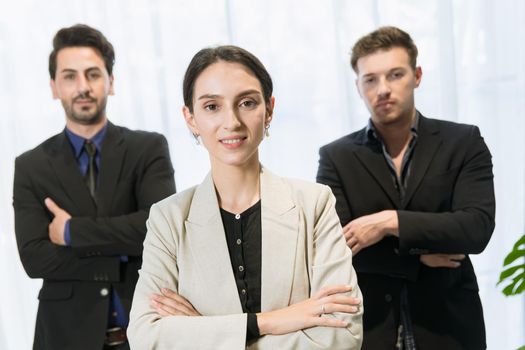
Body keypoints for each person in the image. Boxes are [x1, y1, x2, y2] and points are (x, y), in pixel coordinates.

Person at [127, 45, 363, 349]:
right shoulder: (168, 218)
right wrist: (268, 322)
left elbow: (342, 335)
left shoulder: (314, 204)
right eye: (212, 106)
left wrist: (202, 331)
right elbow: (147, 338)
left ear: (269, 110)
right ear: (191, 118)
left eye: (247, 102)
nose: (232, 122)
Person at [317, 26, 495, 350]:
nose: (382, 89)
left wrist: (388, 223)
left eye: (395, 74)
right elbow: (335, 247)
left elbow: (475, 228)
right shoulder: (336, 157)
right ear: (358, 87)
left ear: (417, 75)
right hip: (372, 332)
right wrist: (417, 258)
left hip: (450, 331)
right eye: (370, 79)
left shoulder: (463, 142)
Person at [13, 24, 176, 350]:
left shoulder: (148, 148)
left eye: (93, 74)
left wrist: (72, 233)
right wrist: (119, 256)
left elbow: (160, 231)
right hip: (64, 336)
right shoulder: (31, 165)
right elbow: (35, 259)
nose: (82, 87)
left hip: (145, 332)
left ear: (111, 82)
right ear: (54, 87)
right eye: (70, 76)